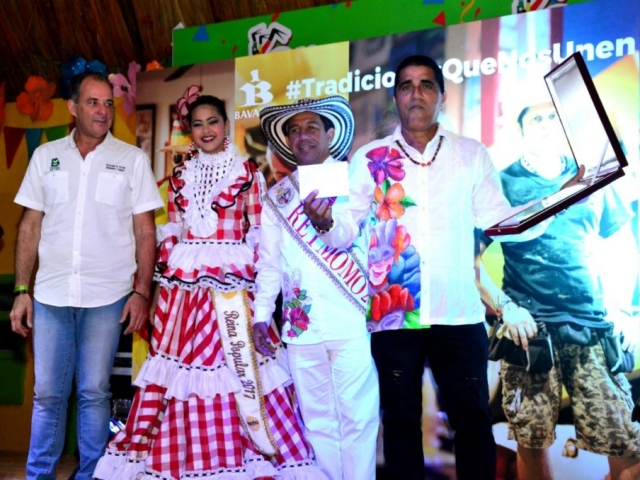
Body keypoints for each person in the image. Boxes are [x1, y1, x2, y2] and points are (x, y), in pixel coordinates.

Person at [301, 55, 559, 480]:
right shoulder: (370, 158)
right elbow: (346, 233)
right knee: (401, 426)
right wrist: (325, 222)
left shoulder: (470, 154)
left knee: (472, 424)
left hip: (458, 312)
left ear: (441, 95)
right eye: (406, 86)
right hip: (394, 314)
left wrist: (557, 199)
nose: (415, 93)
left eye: (425, 85)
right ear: (396, 99)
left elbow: (502, 223)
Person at [95, 90, 323, 479]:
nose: (205, 130)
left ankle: (247, 457)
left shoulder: (248, 172)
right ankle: (183, 459)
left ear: (225, 124)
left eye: (212, 122)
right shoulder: (181, 174)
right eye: (197, 124)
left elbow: (259, 233)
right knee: (181, 374)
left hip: (233, 288)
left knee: (240, 369)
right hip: (185, 294)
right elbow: (179, 228)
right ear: (190, 130)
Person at [477, 91, 640, 480]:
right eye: (536, 119)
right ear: (519, 130)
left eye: (553, 117)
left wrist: (624, 309)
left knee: (624, 443)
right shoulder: (502, 184)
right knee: (532, 443)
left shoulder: (593, 177)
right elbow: (471, 261)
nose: (547, 126)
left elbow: (621, 243)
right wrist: (507, 309)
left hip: (593, 326)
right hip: (530, 332)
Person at [9, 72, 163, 480]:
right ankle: (38, 475)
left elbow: (146, 231)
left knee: (94, 393)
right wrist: (22, 290)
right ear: (73, 107)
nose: (103, 111)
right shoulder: (46, 157)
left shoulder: (132, 159)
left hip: (108, 295)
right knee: (47, 394)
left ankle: (93, 475)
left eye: (109, 103)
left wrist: (141, 292)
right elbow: (29, 226)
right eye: (93, 102)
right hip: (50, 294)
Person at [254, 96, 380, 480]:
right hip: (300, 328)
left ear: (330, 134)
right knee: (317, 421)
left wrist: (325, 224)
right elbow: (269, 262)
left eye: (311, 128)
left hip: (348, 320)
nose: (302, 136)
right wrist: (261, 315)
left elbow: (347, 234)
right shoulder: (276, 196)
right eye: (293, 130)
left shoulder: (351, 179)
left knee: (358, 418)